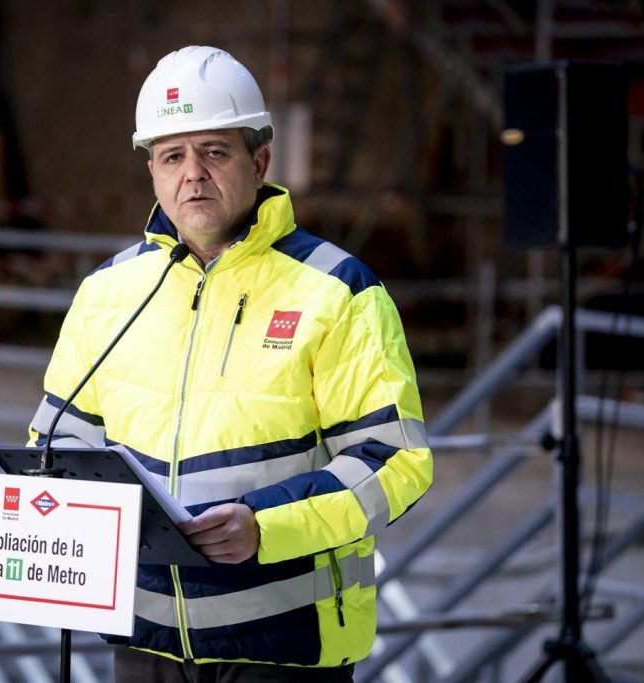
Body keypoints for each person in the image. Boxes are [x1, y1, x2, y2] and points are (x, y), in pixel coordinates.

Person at [28, 45, 432, 682]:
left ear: (259, 160)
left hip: (286, 643)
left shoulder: (337, 292)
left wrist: (263, 524)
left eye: (214, 151)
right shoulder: (108, 293)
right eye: (171, 156)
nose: (193, 174)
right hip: (144, 642)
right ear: (153, 173)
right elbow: (58, 445)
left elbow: (396, 460)